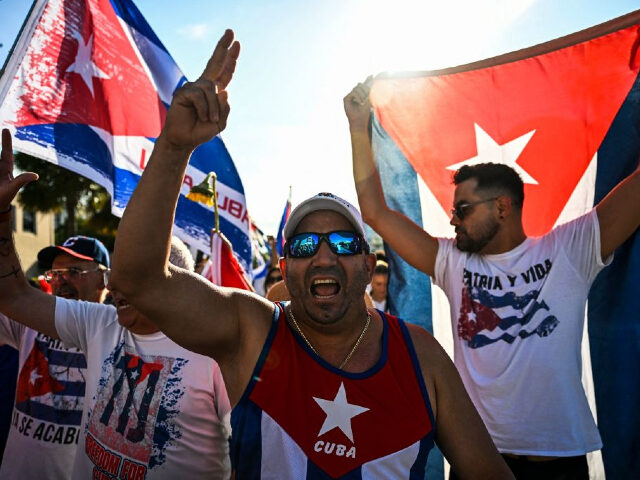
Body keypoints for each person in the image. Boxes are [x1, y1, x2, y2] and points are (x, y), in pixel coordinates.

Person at [107, 29, 513, 478]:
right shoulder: (252, 332)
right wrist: (174, 147)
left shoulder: (422, 356)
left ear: (366, 263)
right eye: (303, 245)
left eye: (342, 243)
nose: (323, 256)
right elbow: (138, 280)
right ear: (285, 267)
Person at [344, 79, 640, 479]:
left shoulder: (570, 249)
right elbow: (376, 213)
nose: (452, 219)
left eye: (463, 208)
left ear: (502, 207)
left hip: (560, 463)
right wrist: (357, 124)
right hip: (477, 462)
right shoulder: (453, 262)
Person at [0, 132, 232, 478]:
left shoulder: (216, 353)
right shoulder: (100, 324)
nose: (118, 284)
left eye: (138, 274)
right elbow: (14, 296)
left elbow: (248, 455)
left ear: (176, 285)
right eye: (120, 270)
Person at [0, 231, 109, 478]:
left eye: (74, 272)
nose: (61, 281)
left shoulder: (117, 332)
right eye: (56, 274)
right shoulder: (30, 322)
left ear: (103, 279)